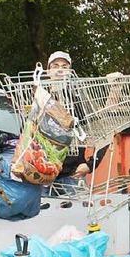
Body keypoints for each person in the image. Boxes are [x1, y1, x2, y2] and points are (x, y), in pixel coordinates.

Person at [44, 51, 106, 192]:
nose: (60, 70)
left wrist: (90, 164)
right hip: (43, 175)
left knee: (77, 214)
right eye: (55, 66)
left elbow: (104, 135)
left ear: (70, 72)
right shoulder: (40, 101)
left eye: (64, 66)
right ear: (48, 71)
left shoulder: (80, 103)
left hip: (72, 176)